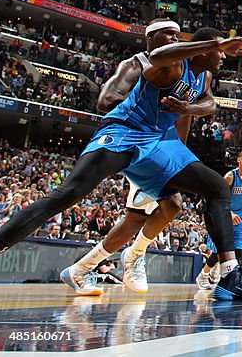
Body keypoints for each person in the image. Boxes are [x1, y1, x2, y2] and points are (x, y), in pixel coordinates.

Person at [0, 28, 242, 302]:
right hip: (125, 131)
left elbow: (209, 103)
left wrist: (189, 109)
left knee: (213, 189)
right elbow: (148, 64)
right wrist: (218, 42)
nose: (224, 57)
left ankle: (229, 276)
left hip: (159, 143)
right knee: (70, 193)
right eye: (219, 51)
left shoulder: (205, 76)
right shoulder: (168, 64)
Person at [61, 20, 193, 296]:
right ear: (151, 37)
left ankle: (81, 269)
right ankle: (131, 257)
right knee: (158, 209)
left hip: (162, 149)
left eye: (179, 35)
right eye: (169, 33)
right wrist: (146, 107)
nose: (176, 38)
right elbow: (106, 99)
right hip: (137, 142)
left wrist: (178, 154)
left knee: (153, 212)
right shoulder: (135, 65)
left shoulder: (182, 72)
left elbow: (184, 117)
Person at [196, 149, 242, 289]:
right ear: (239, 159)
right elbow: (218, 197)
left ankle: (229, 281)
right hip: (225, 216)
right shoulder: (230, 177)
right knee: (217, 252)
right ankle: (203, 276)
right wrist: (230, 212)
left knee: (239, 252)